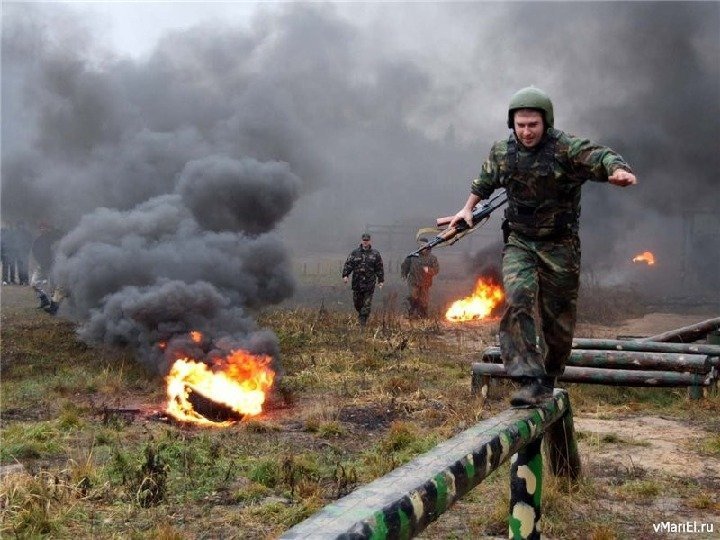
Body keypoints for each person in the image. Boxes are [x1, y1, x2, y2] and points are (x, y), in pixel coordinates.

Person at [448, 86, 637, 407]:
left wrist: (618, 171)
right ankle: (528, 378)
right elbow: (484, 182)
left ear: (546, 122)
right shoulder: (502, 152)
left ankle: (548, 377)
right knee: (518, 299)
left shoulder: (566, 149)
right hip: (520, 241)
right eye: (520, 125)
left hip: (560, 245)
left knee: (558, 322)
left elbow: (602, 156)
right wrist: (467, 209)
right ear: (512, 124)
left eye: (533, 125)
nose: (526, 132)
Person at [342, 233, 384, 326]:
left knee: (366, 305)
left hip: (369, 284)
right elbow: (348, 264)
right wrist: (345, 275)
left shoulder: (375, 254)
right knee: (357, 304)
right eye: (364, 240)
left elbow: (379, 268)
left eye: (367, 240)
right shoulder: (354, 253)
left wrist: (381, 280)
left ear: (370, 241)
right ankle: (361, 315)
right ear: (361, 241)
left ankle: (363, 322)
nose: (365, 242)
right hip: (357, 283)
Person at [401, 238, 439, 318]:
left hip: (425, 283)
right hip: (413, 281)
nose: (422, 247)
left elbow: (436, 270)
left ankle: (423, 317)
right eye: (421, 245)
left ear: (427, 245)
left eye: (424, 245)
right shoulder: (412, 256)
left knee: (423, 301)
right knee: (413, 296)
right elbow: (405, 266)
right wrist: (404, 274)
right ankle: (411, 313)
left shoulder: (432, 258)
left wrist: (428, 270)